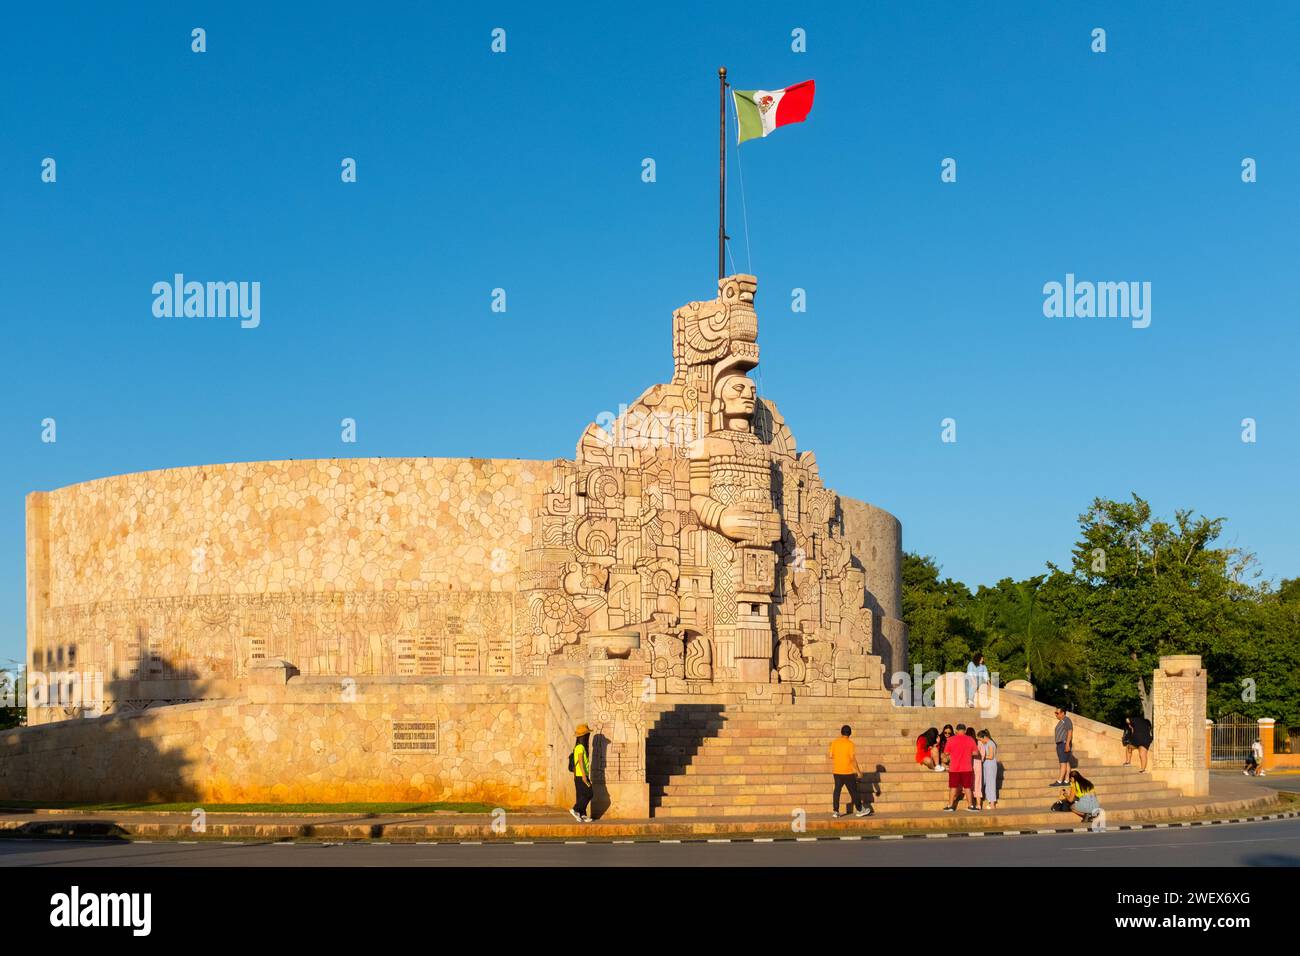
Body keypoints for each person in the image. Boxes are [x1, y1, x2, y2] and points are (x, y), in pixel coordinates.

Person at [829, 724, 872, 818]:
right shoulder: (850, 744)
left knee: (837, 791)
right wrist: (858, 771)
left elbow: (831, 755)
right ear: (850, 733)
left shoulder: (834, 742)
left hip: (837, 771)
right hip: (847, 772)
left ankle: (836, 811)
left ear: (841, 732)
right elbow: (852, 759)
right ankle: (860, 810)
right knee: (853, 792)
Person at [942, 722, 980, 812]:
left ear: (956, 730)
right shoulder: (970, 739)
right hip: (967, 768)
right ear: (965, 731)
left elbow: (946, 753)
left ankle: (950, 806)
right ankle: (971, 806)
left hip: (954, 768)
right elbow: (976, 753)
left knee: (953, 787)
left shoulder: (951, 739)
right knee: (967, 787)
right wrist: (967, 752)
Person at [569, 723, 593, 823]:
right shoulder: (580, 747)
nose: (588, 736)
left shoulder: (579, 747)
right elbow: (581, 761)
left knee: (581, 795)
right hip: (580, 775)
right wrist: (584, 776)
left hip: (579, 775)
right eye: (587, 734)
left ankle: (582, 815)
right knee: (589, 793)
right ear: (584, 736)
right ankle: (575, 809)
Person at [1049, 707, 1073, 786]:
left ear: (1063, 713)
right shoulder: (1062, 721)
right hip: (1061, 744)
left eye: (1057, 713)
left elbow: (1070, 731)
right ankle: (1066, 780)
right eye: (1055, 713)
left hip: (1063, 744)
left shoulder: (1066, 720)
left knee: (1062, 763)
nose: (1056, 714)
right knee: (1066, 762)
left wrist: (1067, 744)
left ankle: (1059, 781)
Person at [978, 729, 998, 809]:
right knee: (987, 783)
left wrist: (981, 756)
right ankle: (989, 801)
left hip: (990, 765)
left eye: (980, 739)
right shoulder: (987, 743)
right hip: (987, 765)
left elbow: (991, 756)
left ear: (984, 737)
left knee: (991, 783)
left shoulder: (990, 743)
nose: (980, 741)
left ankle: (992, 803)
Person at [967, 726, 984, 806]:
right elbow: (983, 755)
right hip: (978, 765)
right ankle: (978, 804)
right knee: (978, 784)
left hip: (968, 765)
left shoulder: (966, 742)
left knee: (968, 784)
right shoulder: (979, 742)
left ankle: (970, 804)